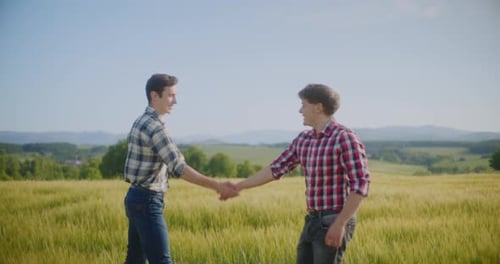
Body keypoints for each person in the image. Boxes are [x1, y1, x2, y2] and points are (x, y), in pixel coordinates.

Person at [222, 83, 370, 264]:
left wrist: (340, 223)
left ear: (318, 107)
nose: (300, 110)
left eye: (304, 105)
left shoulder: (344, 138)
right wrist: (238, 186)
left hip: (334, 219)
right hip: (312, 221)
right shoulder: (304, 140)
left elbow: (360, 184)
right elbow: (275, 168)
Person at [123, 73, 239, 264]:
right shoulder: (156, 128)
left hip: (134, 197)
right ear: (154, 96)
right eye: (170, 95)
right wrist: (217, 186)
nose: (175, 101)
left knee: (134, 259)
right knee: (162, 261)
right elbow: (180, 168)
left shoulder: (140, 121)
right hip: (147, 201)